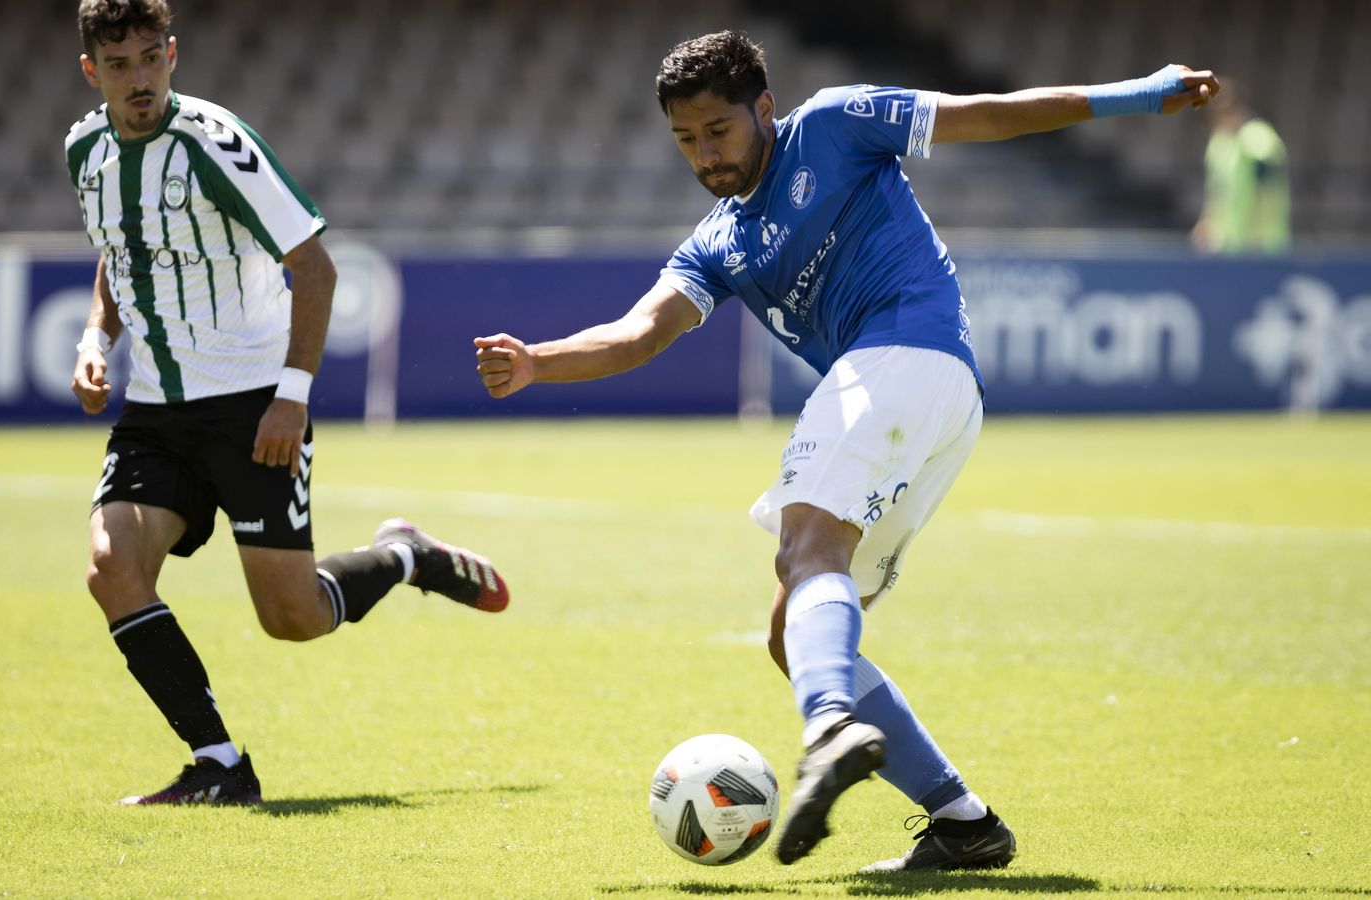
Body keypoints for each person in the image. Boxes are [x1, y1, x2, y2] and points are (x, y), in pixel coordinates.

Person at [475, 31, 1216, 871]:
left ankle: (828, 725)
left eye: (718, 130)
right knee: (792, 631)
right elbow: (641, 332)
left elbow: (989, 115)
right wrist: (538, 362)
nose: (705, 155)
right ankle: (964, 825)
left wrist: (1138, 94)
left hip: (905, 355)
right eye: (686, 140)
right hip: (928, 401)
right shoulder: (718, 242)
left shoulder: (834, 125)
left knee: (805, 549)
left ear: (764, 107)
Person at [66, 0, 508, 806]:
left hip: (253, 405)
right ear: (92, 71)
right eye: (120, 65)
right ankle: (219, 765)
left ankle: (404, 555)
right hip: (155, 412)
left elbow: (315, 268)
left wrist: (291, 398)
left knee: (292, 618)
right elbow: (118, 251)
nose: (140, 80)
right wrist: (96, 339)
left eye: (151, 58)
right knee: (111, 569)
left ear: (173, 53)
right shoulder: (84, 150)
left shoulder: (215, 144)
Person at [1193, 81, 1289, 255]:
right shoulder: (1218, 143)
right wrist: (1207, 222)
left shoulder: (1260, 138)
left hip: (1261, 247)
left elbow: (1266, 189)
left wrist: (1255, 238)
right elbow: (1216, 191)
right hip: (1229, 246)